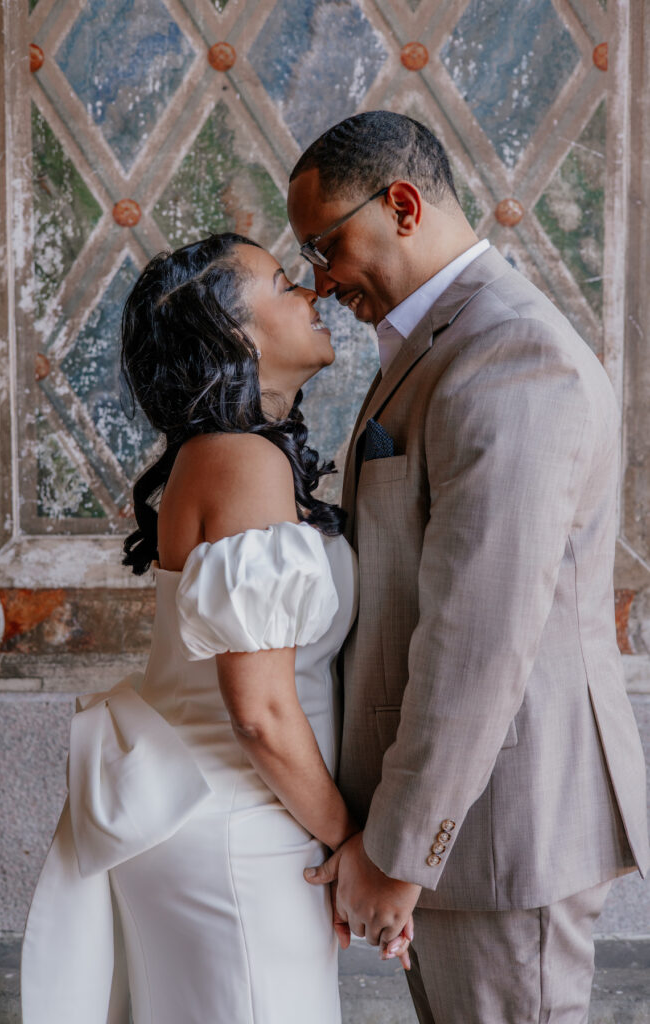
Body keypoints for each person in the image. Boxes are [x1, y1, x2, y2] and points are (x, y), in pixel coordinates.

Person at [287, 111, 650, 1023]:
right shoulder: (440, 344)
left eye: (325, 247)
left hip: (495, 832)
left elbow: (476, 638)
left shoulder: (511, 354)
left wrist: (400, 850)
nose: (320, 284)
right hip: (464, 830)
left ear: (401, 205)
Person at [20, 232, 410, 1024]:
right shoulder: (241, 462)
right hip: (244, 828)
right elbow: (259, 712)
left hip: (229, 816)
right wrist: (349, 851)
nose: (312, 292)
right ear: (235, 333)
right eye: (280, 281)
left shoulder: (226, 456)